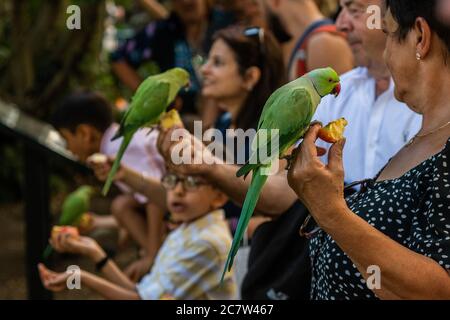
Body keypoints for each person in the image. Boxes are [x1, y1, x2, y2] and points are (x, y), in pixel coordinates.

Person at [287, 0, 450, 300]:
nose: (386, 54)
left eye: (388, 34)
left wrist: (330, 211)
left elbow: (438, 290)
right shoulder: (425, 139)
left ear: (420, 38)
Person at [38, 171, 237, 300]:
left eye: (193, 182)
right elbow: (141, 292)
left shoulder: (206, 242)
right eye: (172, 180)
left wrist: (79, 278)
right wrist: (93, 251)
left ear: (219, 196)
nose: (178, 190)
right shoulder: (187, 229)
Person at [52, 91, 166, 282]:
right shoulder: (119, 139)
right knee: (121, 205)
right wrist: (103, 223)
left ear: (84, 133)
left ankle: (158, 260)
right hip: (172, 199)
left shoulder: (118, 149)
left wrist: (151, 254)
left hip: (177, 199)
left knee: (121, 205)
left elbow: (153, 199)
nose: (67, 148)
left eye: (66, 139)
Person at [111, 0, 234, 116]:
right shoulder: (164, 31)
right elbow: (118, 59)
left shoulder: (227, 24)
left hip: (229, 119)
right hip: (180, 121)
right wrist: (153, 96)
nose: (186, 2)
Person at [262, 0, 354, 79]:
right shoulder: (311, 41)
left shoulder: (323, 42)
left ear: (274, 1)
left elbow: (337, 98)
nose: (263, 16)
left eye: (261, 7)